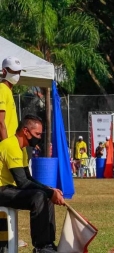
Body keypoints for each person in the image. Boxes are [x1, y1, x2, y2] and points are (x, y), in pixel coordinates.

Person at [0, 114, 65, 253]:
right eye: (37, 134)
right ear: (25, 131)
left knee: (45, 195)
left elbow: (28, 178)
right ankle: (40, 247)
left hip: (8, 188)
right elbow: (22, 183)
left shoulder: (21, 148)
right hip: (1, 189)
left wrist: (49, 189)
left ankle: (48, 243)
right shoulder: (11, 145)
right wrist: (48, 192)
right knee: (39, 196)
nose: (39, 138)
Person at [1, 56, 30, 249]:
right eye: (13, 71)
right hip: (7, 151)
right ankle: (7, 237)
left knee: (13, 191)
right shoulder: (2, 89)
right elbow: (0, 121)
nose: (16, 75)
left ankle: (10, 236)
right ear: (4, 71)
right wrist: (5, 146)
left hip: (13, 149)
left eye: (19, 72)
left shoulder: (9, 91)